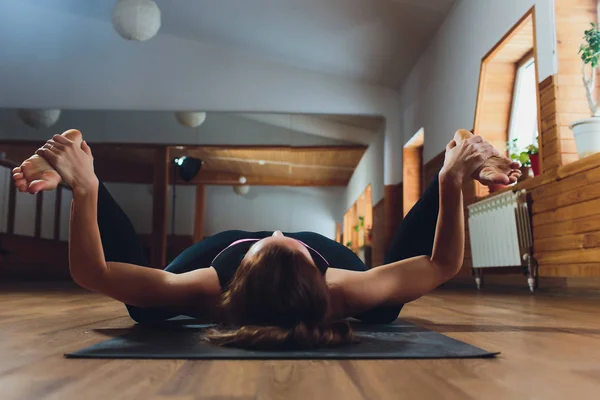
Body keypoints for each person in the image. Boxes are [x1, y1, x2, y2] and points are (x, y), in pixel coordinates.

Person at [12, 129, 520, 350]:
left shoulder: (205, 286)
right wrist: (452, 180)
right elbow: (440, 264)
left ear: (238, 276)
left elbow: (92, 274)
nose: (276, 231)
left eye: (270, 240)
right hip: (309, 267)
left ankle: (79, 169)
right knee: (387, 305)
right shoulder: (343, 288)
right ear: (316, 270)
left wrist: (86, 187)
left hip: (222, 250)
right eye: (287, 240)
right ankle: (465, 159)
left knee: (144, 306)